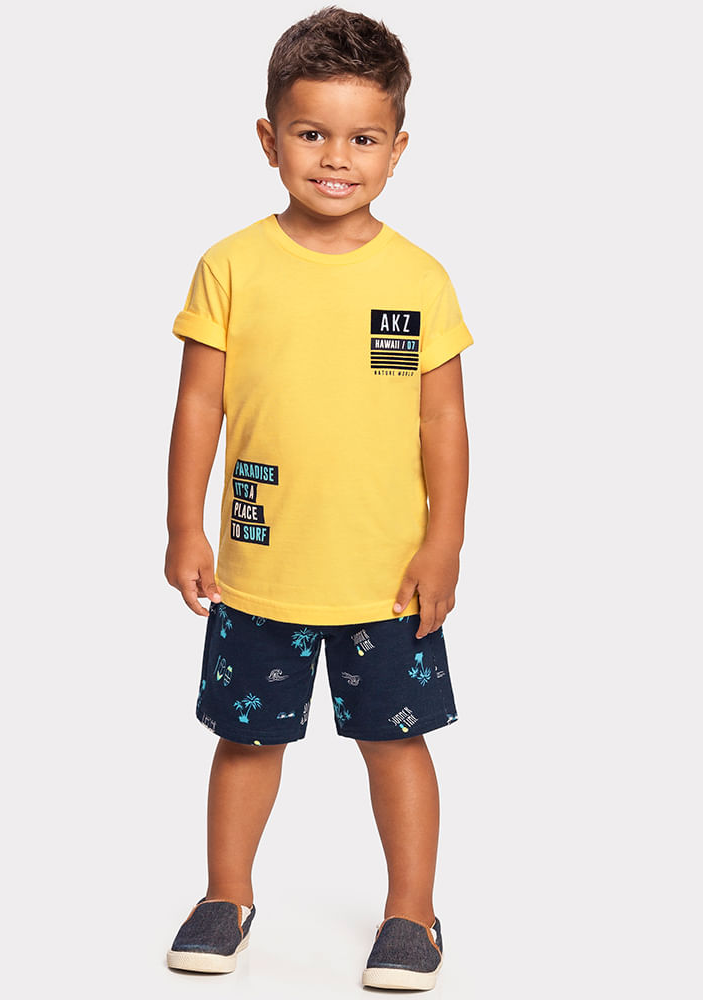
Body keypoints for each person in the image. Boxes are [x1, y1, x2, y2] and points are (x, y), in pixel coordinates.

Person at [163, 6, 472, 990]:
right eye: (311, 133)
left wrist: (444, 545)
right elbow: (199, 405)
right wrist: (182, 526)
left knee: (395, 741)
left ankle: (413, 912)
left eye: (362, 139)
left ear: (397, 148)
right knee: (246, 739)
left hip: (386, 577)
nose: (336, 159)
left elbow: (442, 422)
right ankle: (225, 895)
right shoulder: (231, 266)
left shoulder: (418, 278)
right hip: (260, 568)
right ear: (269, 138)